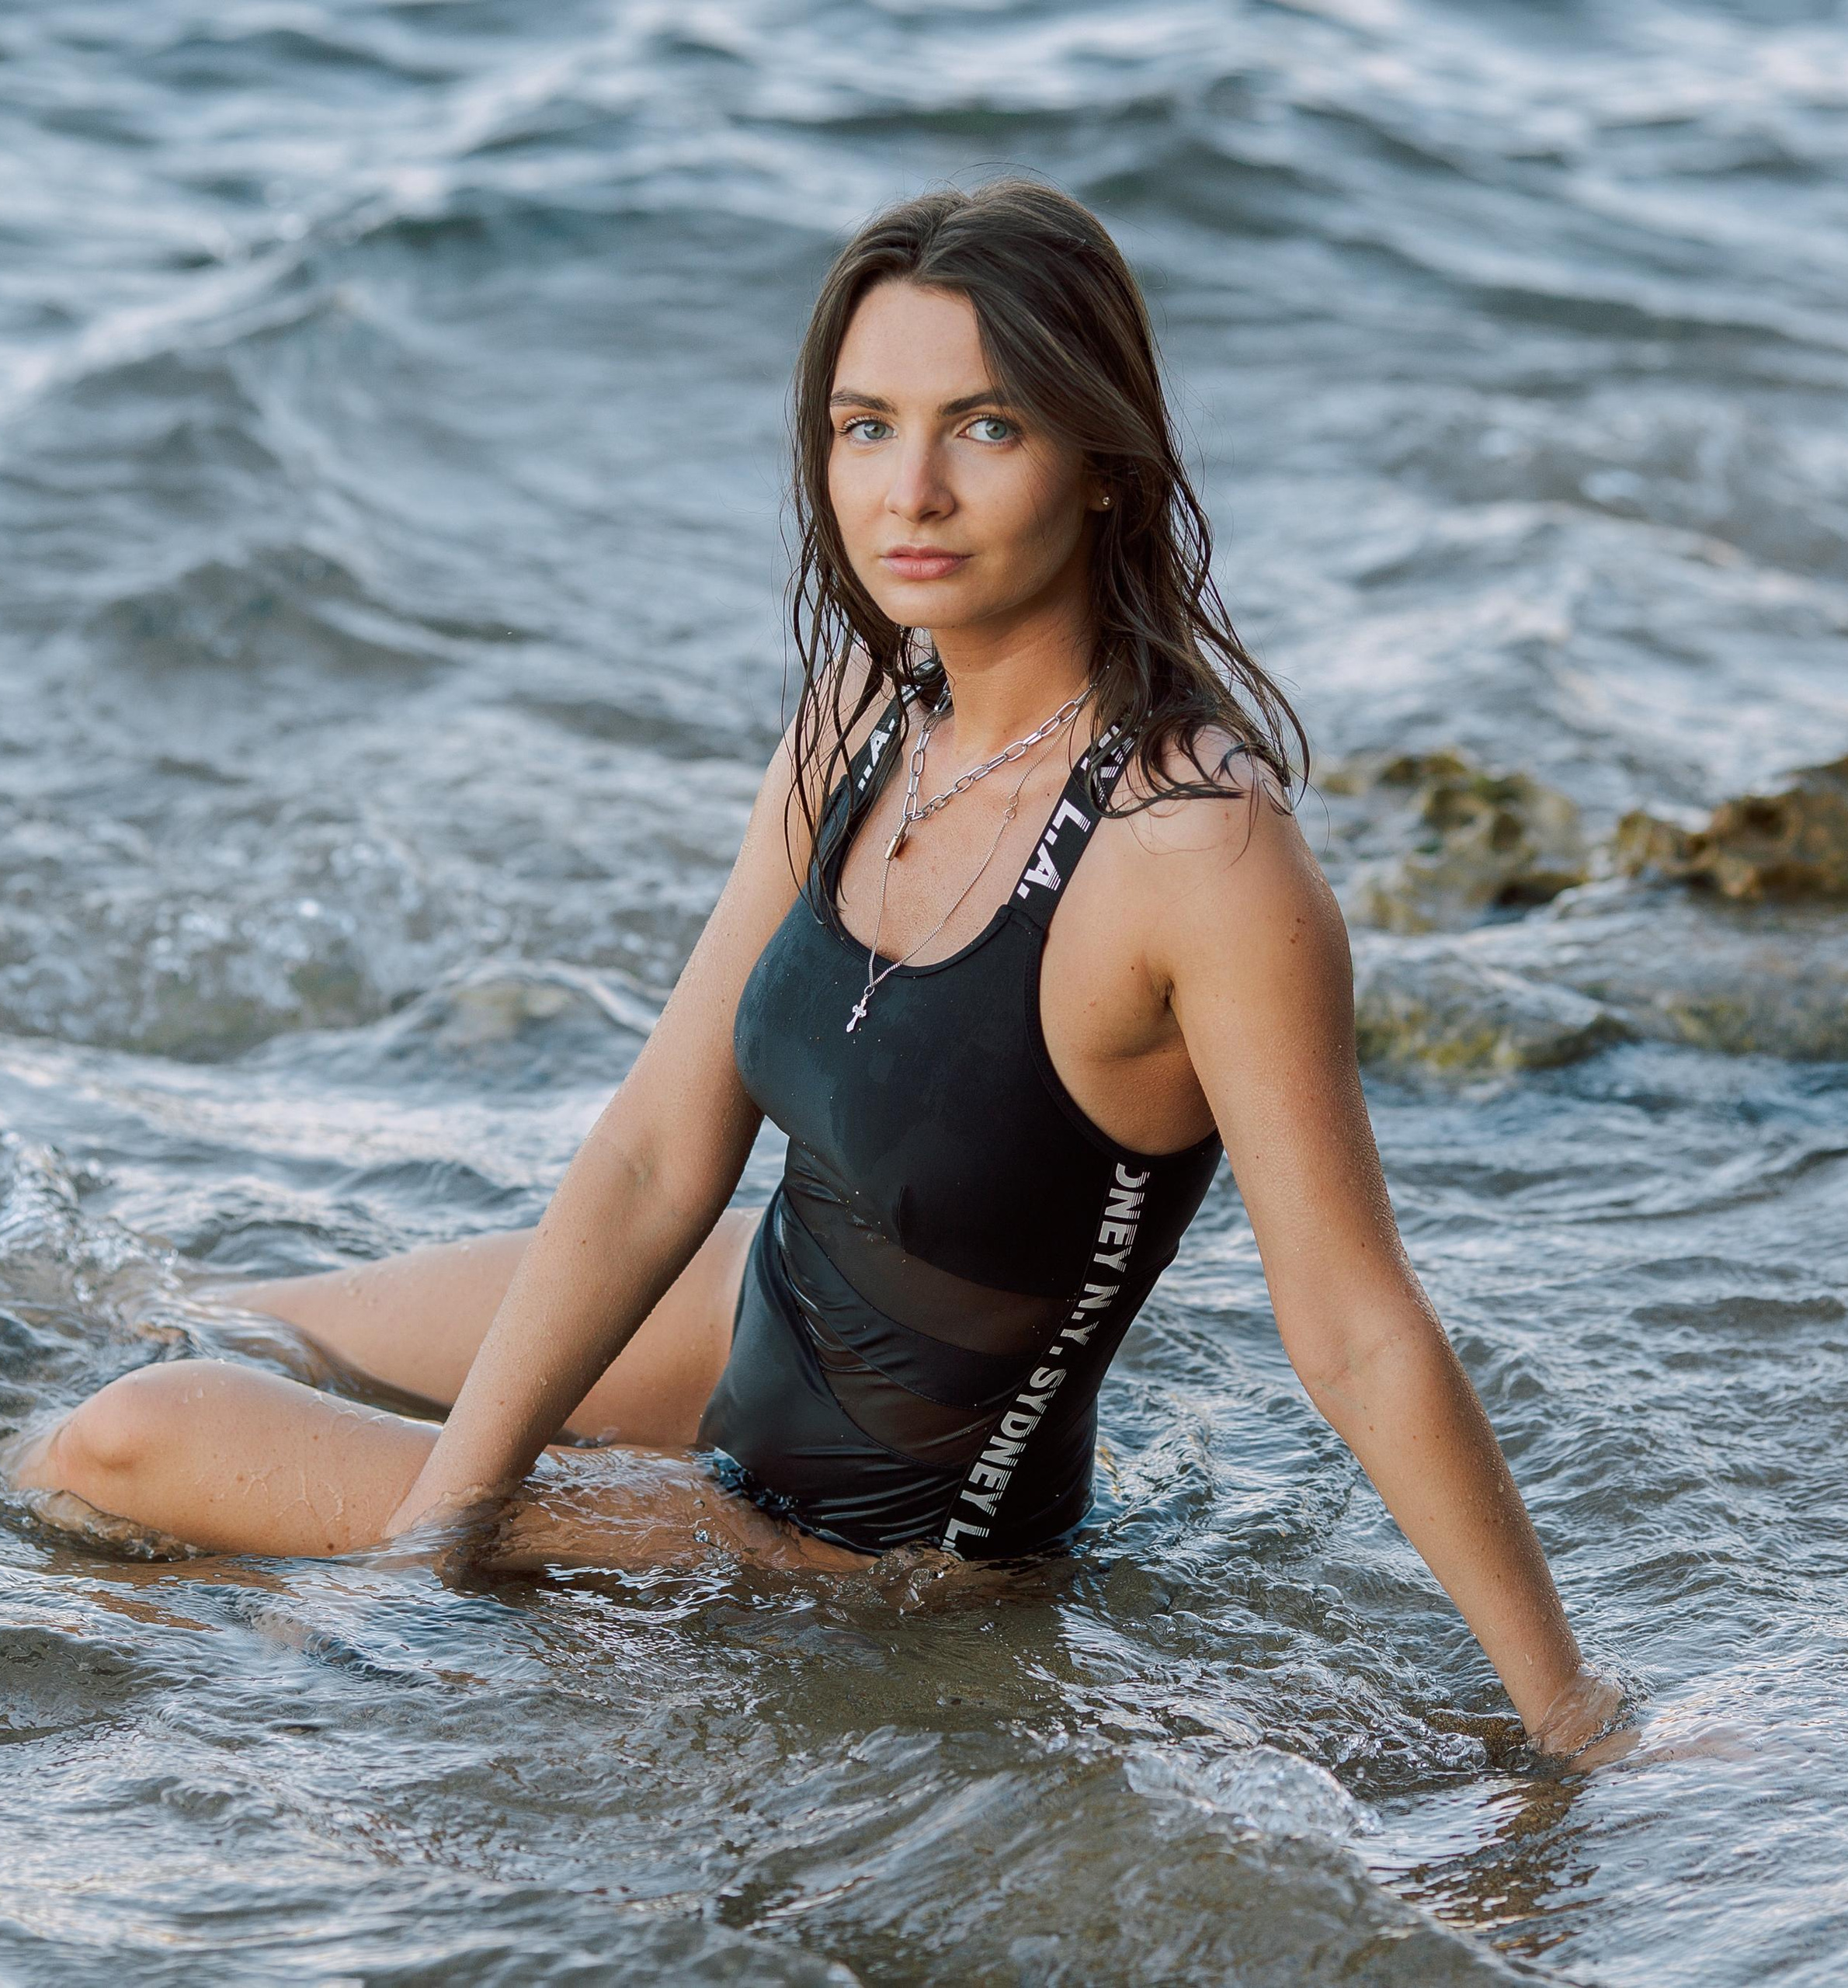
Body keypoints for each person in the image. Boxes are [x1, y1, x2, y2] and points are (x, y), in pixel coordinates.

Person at [3, 177, 1624, 1757]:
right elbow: (659, 1149)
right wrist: (450, 1515)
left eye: (983, 426)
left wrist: (1571, 1719)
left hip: (861, 1542)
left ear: (1103, 464)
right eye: (865, 427)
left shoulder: (1195, 853)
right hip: (753, 1307)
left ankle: (311, 1609)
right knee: (193, 1319)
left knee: (118, 1442)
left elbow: (1353, 1328)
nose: (909, 492)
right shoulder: (865, 714)